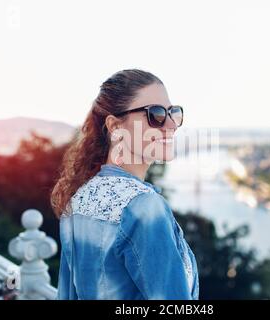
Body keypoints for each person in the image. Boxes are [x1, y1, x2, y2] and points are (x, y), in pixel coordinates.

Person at [51, 69, 199, 300]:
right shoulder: (144, 207)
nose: (171, 125)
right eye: (156, 114)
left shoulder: (80, 198)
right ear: (115, 126)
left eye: (174, 112)